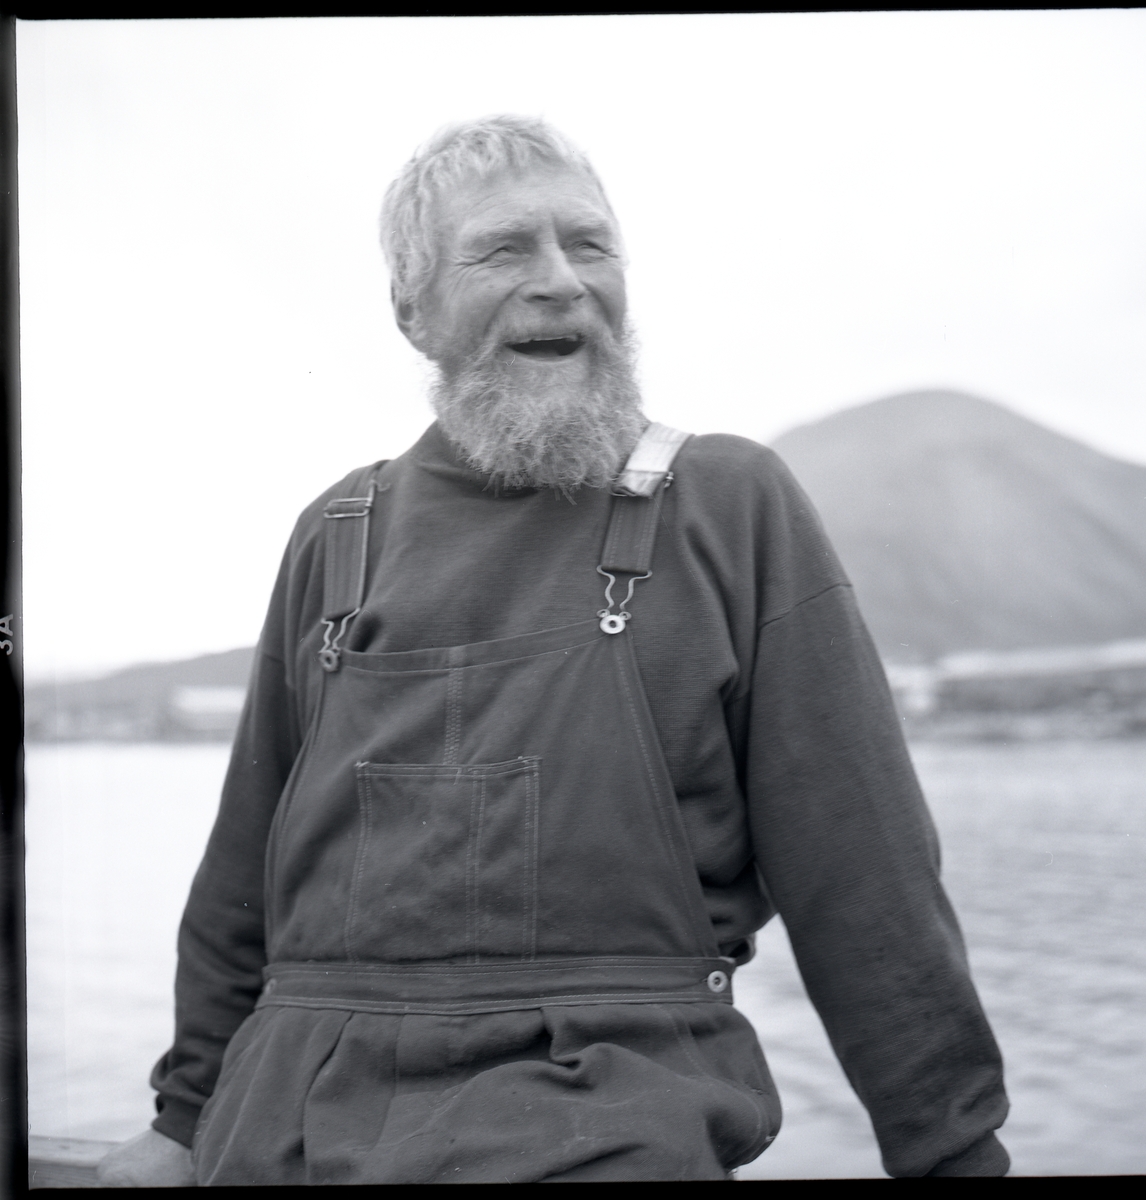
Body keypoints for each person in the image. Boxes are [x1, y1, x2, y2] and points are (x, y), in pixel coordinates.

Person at [98, 115, 1009, 1185]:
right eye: (502, 250)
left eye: (590, 245)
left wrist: (949, 1150)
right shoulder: (337, 532)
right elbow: (244, 872)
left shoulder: (728, 502)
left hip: (609, 1123)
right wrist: (182, 1117)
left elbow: (866, 875)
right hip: (289, 1129)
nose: (562, 282)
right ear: (412, 310)